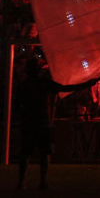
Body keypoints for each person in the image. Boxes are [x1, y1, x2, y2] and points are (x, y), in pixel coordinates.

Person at [15, 58, 55, 190]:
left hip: (28, 122)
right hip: (42, 123)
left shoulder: (24, 84)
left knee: (25, 154)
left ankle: (21, 182)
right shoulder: (43, 83)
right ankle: (42, 182)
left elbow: (17, 104)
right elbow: (64, 87)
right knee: (44, 154)